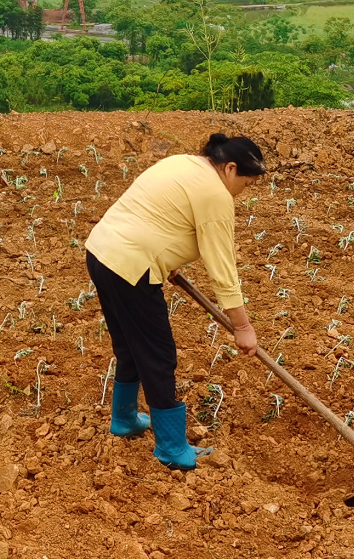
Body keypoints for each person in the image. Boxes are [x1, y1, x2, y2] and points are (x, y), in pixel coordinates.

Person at [83, 131, 264, 470]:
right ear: (230, 169)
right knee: (158, 355)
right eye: (247, 182)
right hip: (131, 267)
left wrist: (168, 259)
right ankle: (171, 447)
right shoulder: (216, 194)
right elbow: (222, 266)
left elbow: (159, 215)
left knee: (129, 345)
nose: (244, 191)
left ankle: (124, 419)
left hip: (102, 252)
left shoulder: (183, 163)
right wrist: (243, 326)